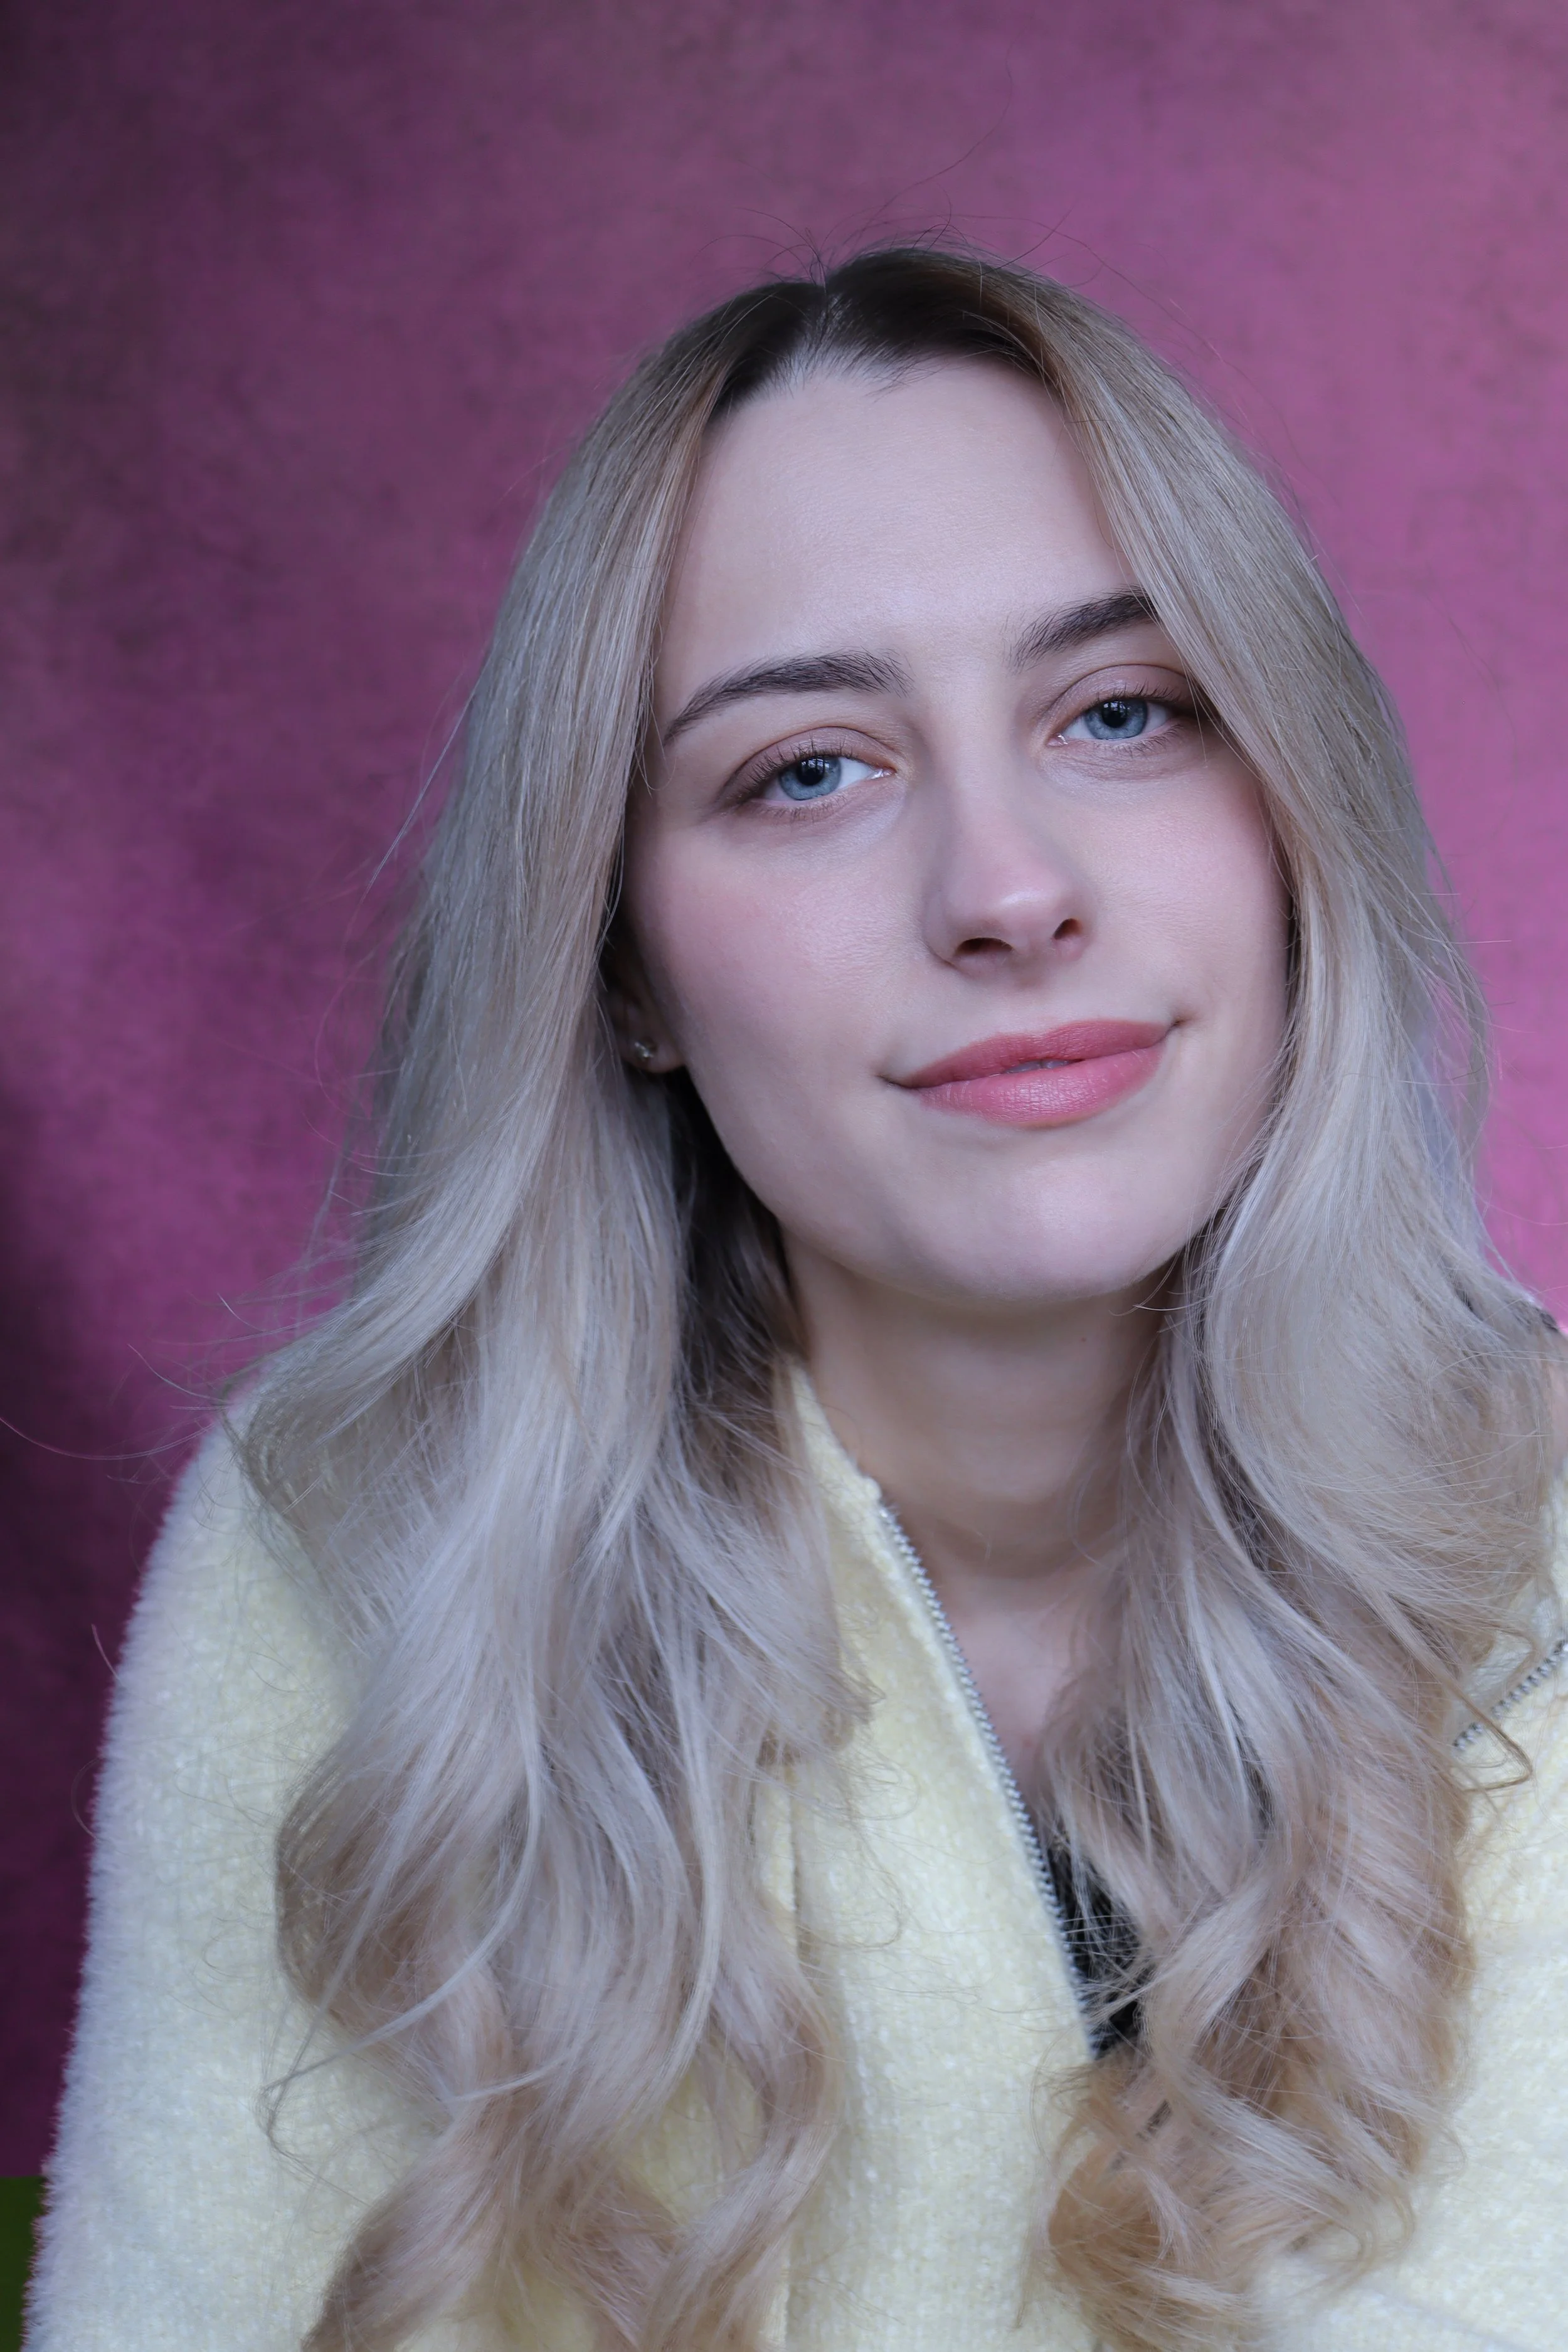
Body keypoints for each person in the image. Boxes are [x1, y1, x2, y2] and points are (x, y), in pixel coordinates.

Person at [25, 248, 1568, 2352]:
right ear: (629, 965)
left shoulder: (1542, 1528)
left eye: (1121, 713)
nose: (1007, 892)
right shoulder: (357, 1542)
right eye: (807, 770)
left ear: (1294, 821)